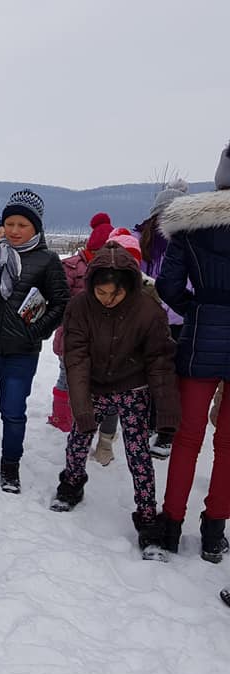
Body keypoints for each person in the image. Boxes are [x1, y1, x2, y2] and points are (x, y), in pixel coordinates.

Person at [50, 241, 179, 560]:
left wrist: (165, 416)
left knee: (138, 454)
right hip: (93, 384)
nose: (108, 300)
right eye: (102, 293)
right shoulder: (79, 307)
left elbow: (159, 361)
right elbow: (76, 356)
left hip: (132, 388)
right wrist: (81, 406)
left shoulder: (148, 311)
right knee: (79, 438)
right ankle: (72, 483)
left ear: (129, 288)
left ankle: (147, 515)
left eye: (116, 294)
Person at [0, 189, 70, 492]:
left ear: (36, 228)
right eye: (10, 224)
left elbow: (61, 302)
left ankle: (11, 465)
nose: (14, 231)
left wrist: (35, 332)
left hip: (20, 353)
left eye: (23, 225)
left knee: (12, 410)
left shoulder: (48, 261)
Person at [155, 140, 230, 564]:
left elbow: (167, 285)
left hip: (200, 335)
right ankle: (214, 531)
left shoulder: (191, 222)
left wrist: (196, 309)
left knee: (186, 439)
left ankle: (170, 525)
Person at [48, 213, 119, 461]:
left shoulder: (114, 272)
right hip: (71, 339)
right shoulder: (71, 267)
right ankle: (61, 417)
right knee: (66, 377)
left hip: (101, 343)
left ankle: (82, 421)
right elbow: (58, 299)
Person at [134, 177, 190, 459]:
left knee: (171, 377)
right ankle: (147, 423)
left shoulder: (189, 241)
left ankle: (166, 432)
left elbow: (192, 283)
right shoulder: (141, 239)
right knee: (146, 373)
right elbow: (132, 273)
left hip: (179, 321)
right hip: (147, 319)